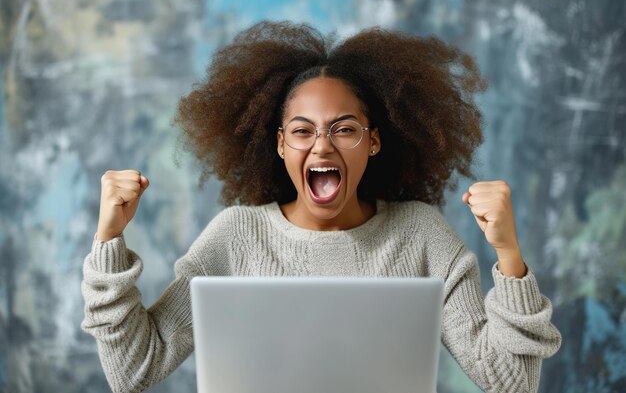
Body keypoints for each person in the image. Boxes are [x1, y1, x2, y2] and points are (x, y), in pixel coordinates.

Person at [81, 20, 561, 393]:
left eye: (344, 129)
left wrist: (509, 255)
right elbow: (133, 372)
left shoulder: (420, 234)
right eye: (303, 131)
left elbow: (510, 383)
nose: (322, 148)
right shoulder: (236, 236)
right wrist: (108, 240)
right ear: (280, 145)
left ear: (372, 142)